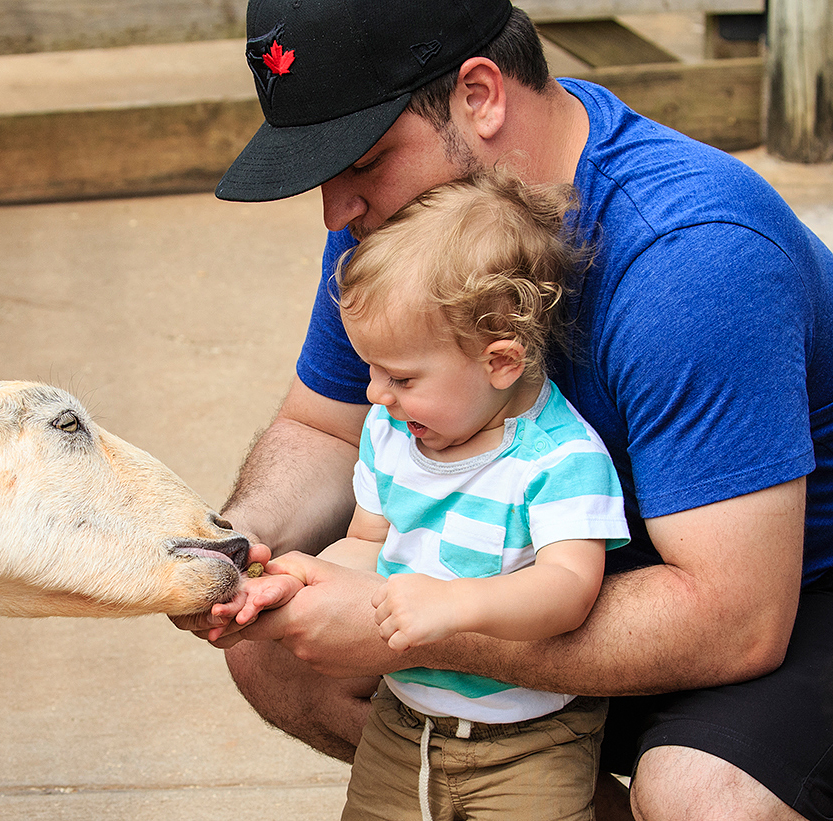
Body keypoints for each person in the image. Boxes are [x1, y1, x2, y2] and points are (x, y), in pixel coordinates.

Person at [174, 0, 833, 818]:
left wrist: (410, 621)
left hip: (785, 599)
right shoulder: (403, 228)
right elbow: (323, 427)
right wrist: (230, 551)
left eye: (365, 161)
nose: (337, 210)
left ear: (480, 95)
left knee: (702, 794)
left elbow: (736, 620)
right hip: (550, 574)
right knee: (278, 653)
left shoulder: (692, 257)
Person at [211, 170, 631, 820]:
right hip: (404, 722)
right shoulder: (393, 433)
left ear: (501, 362)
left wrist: (456, 604)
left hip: (534, 740)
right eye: (371, 370)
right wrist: (302, 577)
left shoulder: (560, 460)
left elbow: (569, 589)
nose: (375, 394)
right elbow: (369, 541)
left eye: (401, 375)